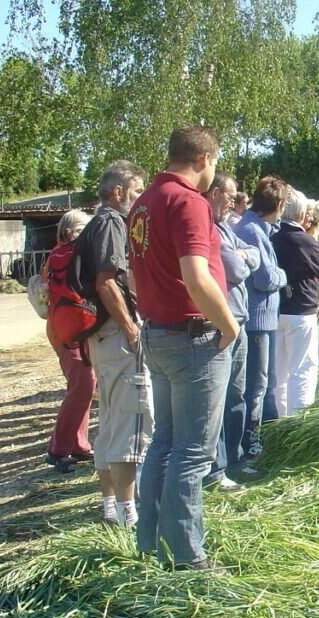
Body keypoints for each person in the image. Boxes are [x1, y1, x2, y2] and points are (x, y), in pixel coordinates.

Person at [129, 125, 238, 570]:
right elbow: (196, 276)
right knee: (193, 451)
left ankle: (150, 543)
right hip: (194, 337)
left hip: (158, 333)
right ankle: (187, 557)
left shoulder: (144, 203)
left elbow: (135, 276)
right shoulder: (188, 202)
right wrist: (228, 326)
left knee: (164, 443)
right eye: (214, 164)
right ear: (203, 160)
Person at [76, 160, 153, 527]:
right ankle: (128, 515)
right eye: (138, 191)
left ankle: (110, 507)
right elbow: (107, 282)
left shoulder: (94, 223)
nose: (141, 199)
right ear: (119, 192)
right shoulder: (110, 223)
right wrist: (131, 328)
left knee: (109, 421)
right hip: (117, 336)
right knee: (130, 422)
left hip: (101, 337)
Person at [202, 171, 257, 491]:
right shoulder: (209, 228)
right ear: (215, 193)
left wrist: (244, 257)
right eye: (232, 195)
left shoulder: (224, 227)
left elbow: (255, 258)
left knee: (237, 394)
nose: (236, 203)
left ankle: (235, 460)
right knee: (218, 399)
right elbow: (237, 268)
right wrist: (243, 258)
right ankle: (215, 469)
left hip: (240, 321)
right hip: (223, 322)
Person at [234, 176, 289, 463]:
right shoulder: (252, 231)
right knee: (255, 385)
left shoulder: (257, 227)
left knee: (264, 383)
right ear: (278, 204)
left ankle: (263, 435)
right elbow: (267, 277)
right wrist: (285, 275)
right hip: (256, 319)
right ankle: (249, 446)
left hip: (263, 318)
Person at [43, 209, 96, 475]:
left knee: (83, 385)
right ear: (71, 231)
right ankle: (58, 449)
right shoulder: (76, 254)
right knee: (82, 386)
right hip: (71, 330)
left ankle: (78, 443)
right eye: (83, 229)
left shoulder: (54, 256)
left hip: (65, 327)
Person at [271, 187, 319, 416]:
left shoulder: (271, 235)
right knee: (302, 368)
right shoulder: (301, 239)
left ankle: (279, 417)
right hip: (301, 309)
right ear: (301, 213)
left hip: (276, 309)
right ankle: (299, 420)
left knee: (279, 371)